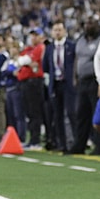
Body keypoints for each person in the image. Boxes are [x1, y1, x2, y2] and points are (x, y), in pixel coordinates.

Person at [42, 21, 76, 153]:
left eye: (59, 30)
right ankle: (62, 145)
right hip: (55, 84)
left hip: (68, 84)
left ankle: (76, 143)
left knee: (72, 113)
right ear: (52, 32)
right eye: (55, 30)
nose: (57, 32)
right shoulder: (50, 48)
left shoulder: (71, 46)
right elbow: (45, 66)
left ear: (65, 31)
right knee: (58, 115)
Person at [70, 19, 100, 154]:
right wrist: (75, 76)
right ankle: (79, 145)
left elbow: (99, 59)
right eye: (87, 23)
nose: (88, 26)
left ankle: (99, 146)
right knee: (81, 114)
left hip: (95, 81)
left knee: (97, 115)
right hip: (82, 82)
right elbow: (77, 59)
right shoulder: (80, 40)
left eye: (91, 23)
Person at [15, 27, 46, 150]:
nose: (33, 37)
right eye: (32, 35)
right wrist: (26, 62)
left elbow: (25, 60)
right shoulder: (29, 49)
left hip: (34, 82)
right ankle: (32, 139)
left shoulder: (40, 47)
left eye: (36, 35)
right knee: (29, 112)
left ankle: (35, 140)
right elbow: (19, 61)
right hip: (25, 83)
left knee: (35, 112)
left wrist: (25, 61)